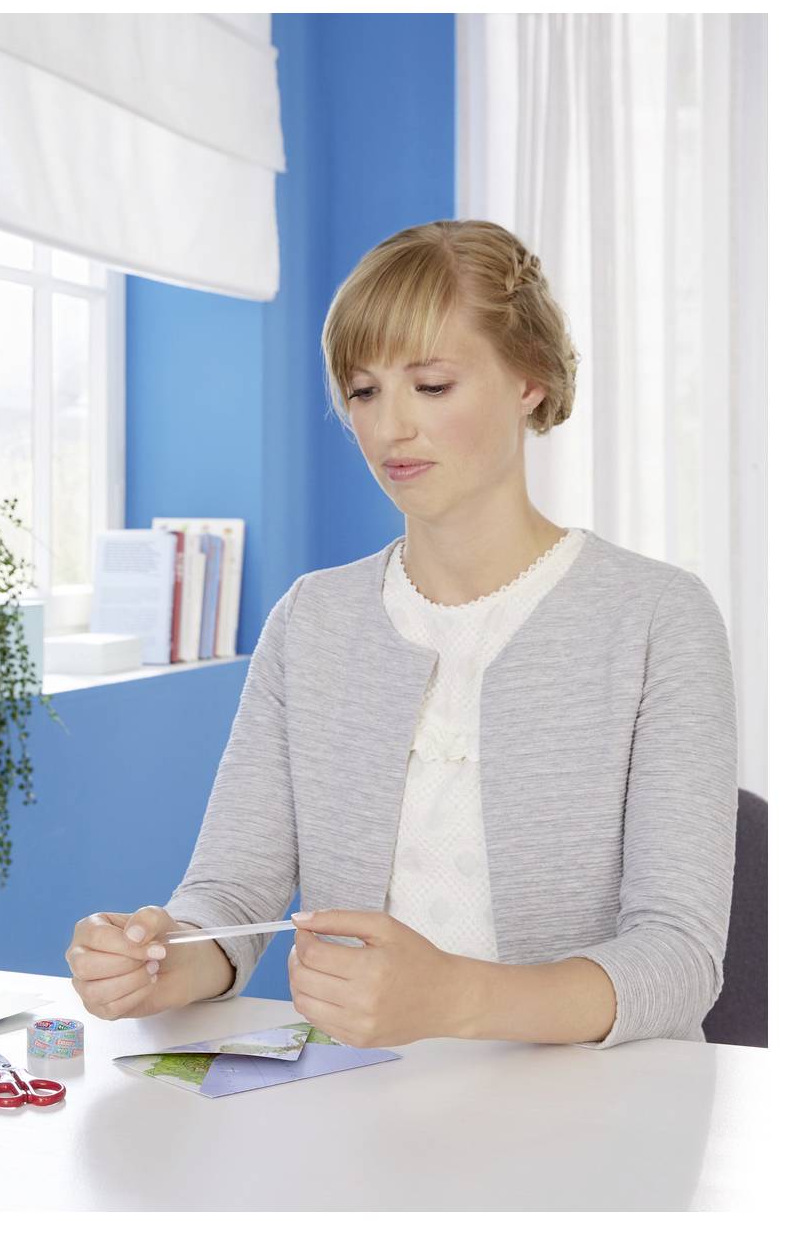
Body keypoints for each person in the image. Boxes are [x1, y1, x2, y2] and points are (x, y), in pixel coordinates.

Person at [65, 219, 738, 1050]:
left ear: (527, 377)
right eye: (362, 390)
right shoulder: (311, 622)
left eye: (430, 384)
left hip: (605, 1118)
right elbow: (232, 898)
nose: (389, 429)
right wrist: (165, 958)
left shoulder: (657, 618)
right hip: (366, 1106)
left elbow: (678, 955)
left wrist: (460, 998)